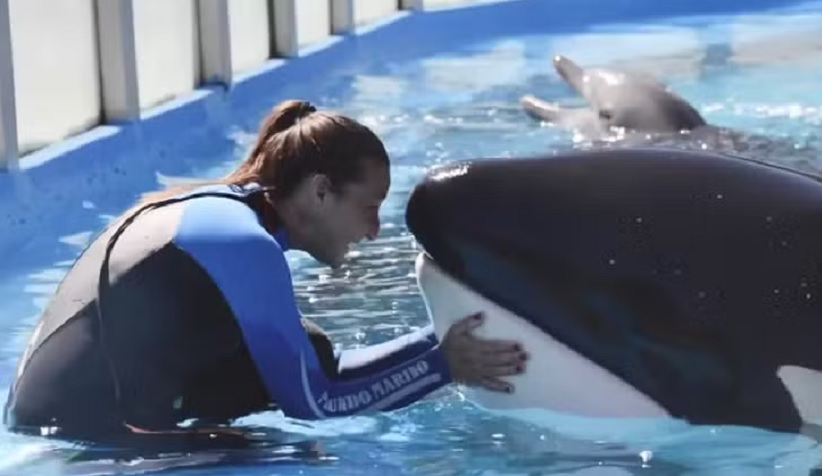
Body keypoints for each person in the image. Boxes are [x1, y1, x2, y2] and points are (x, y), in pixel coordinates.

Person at [3, 99, 529, 445]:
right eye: (369, 208)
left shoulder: (226, 214)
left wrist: (440, 341)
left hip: (67, 425)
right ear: (321, 191)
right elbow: (317, 405)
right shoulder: (245, 244)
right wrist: (442, 367)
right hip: (83, 443)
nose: (373, 231)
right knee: (292, 453)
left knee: (311, 347)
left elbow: (320, 376)